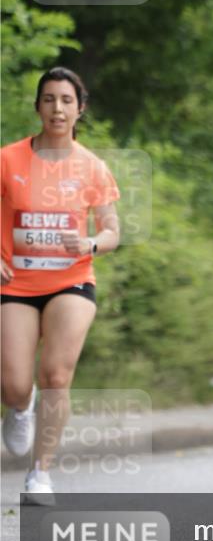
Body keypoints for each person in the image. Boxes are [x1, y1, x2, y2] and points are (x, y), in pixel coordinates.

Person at [1, 67, 120, 502]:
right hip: (16, 283)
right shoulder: (8, 159)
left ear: (80, 109)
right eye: (49, 99)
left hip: (71, 282)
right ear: (37, 107)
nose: (57, 108)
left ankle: (40, 474)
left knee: (56, 373)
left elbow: (112, 231)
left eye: (66, 100)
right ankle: (19, 406)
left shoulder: (91, 167)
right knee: (14, 383)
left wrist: (89, 242)